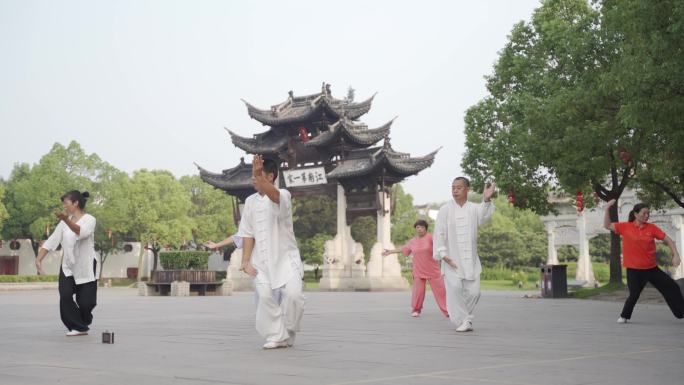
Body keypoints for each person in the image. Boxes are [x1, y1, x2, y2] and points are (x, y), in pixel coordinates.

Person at [237, 155, 305, 349]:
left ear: (271, 176)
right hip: (261, 261)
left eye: (258, 175)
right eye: (253, 175)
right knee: (265, 296)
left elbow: (274, 196)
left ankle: (288, 331)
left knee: (293, 296)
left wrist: (261, 179)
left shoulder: (283, 194)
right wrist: (245, 261)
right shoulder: (249, 201)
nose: (253, 179)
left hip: (286, 259)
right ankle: (276, 334)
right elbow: (248, 233)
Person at [603, 200, 684, 323]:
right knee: (634, 294)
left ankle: (681, 312)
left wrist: (676, 255)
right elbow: (607, 225)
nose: (647, 216)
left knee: (672, 287)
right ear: (635, 214)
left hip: (651, 269)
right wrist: (607, 209)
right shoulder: (625, 226)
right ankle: (624, 316)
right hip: (633, 270)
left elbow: (669, 240)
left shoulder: (652, 228)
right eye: (644, 213)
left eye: (648, 213)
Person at [433, 177, 495, 332]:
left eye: (459, 187)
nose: (455, 190)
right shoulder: (445, 209)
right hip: (451, 259)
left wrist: (486, 199)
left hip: (470, 260)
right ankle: (464, 320)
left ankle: (463, 318)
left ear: (468, 189)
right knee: (454, 289)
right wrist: (442, 253)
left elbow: (484, 216)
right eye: (453, 187)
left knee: (475, 293)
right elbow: (439, 232)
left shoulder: (474, 208)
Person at [35, 190, 98, 336]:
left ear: (75, 203)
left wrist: (66, 220)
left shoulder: (90, 219)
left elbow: (82, 232)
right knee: (65, 296)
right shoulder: (64, 223)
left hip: (86, 266)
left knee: (86, 303)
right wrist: (39, 258)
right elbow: (52, 240)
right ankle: (78, 327)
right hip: (68, 266)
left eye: (66, 203)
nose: (64, 206)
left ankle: (83, 321)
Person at [383, 219, 448, 318]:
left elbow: (441, 247)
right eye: (418, 227)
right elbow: (404, 249)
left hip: (433, 270)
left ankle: (447, 311)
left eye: (422, 227)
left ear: (426, 228)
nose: (420, 229)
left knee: (441, 291)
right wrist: (391, 251)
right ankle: (416, 310)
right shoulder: (413, 241)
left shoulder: (431, 238)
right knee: (418, 292)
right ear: (415, 229)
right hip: (418, 270)